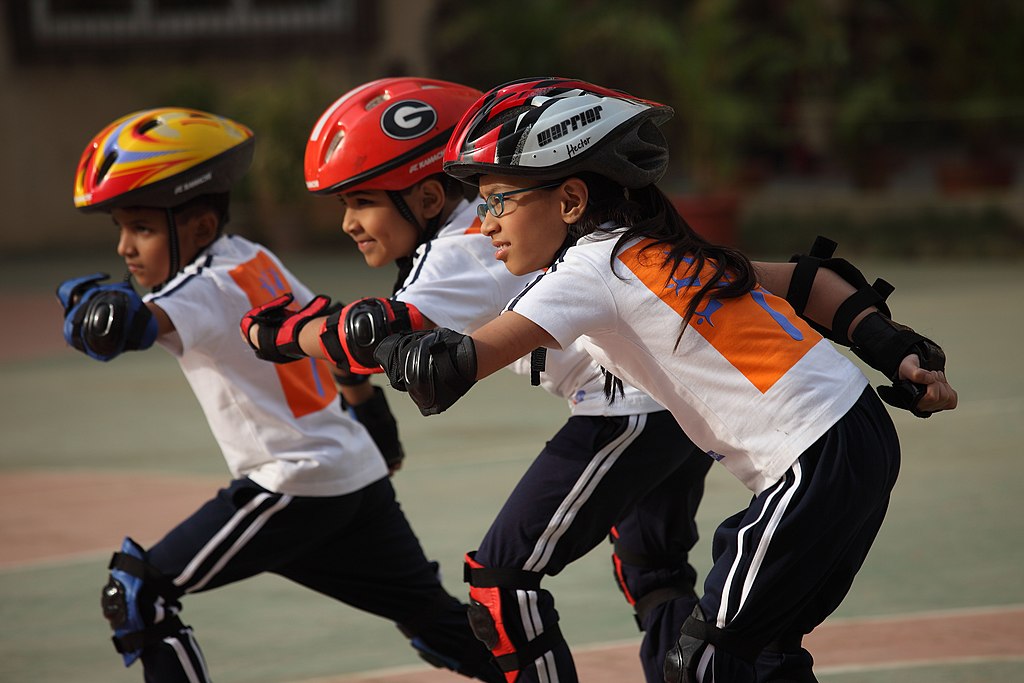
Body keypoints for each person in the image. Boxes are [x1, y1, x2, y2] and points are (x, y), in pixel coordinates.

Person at [362, 78, 958, 683]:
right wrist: (900, 353)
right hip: (855, 439)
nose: (485, 225)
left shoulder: (589, 267)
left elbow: (449, 368)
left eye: (498, 202)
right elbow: (814, 281)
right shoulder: (655, 250)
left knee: (705, 662)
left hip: (813, 458)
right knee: (763, 655)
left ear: (570, 200)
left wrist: (382, 342)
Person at [244, 76, 714, 683]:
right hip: (668, 402)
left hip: (628, 410)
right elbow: (368, 347)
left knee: (502, 584)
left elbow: (368, 337)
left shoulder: (468, 244)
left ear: (430, 197)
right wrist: (371, 417)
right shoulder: (480, 227)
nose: (348, 224)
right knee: (654, 571)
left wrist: (276, 335)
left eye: (361, 202)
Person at [58, 107, 503, 683]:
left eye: (140, 228)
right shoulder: (251, 258)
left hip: (294, 481)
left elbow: (130, 329)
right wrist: (369, 417)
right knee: (437, 625)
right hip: (352, 474)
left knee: (139, 592)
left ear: (195, 228)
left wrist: (98, 315)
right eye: (121, 229)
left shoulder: (204, 285)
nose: (125, 247)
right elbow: (329, 326)